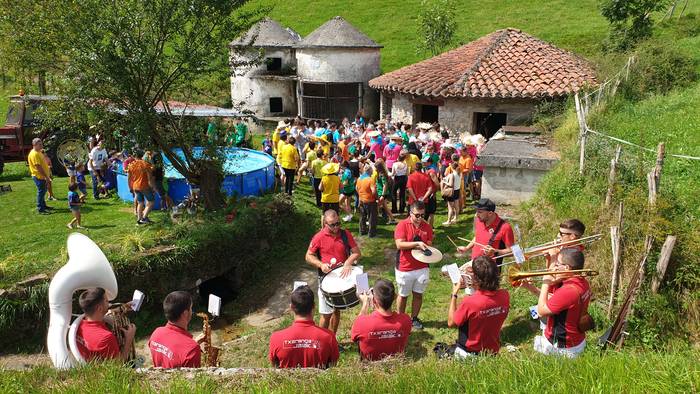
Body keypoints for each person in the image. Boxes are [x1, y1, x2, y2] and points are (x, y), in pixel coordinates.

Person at [305, 210, 361, 332]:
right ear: (325, 223)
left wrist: (348, 262)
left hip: (341, 277)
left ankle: (332, 339)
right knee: (326, 314)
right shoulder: (319, 237)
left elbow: (356, 253)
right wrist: (320, 264)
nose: (336, 227)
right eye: (332, 224)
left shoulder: (345, 234)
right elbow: (308, 256)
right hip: (326, 279)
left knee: (336, 310)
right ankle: (321, 341)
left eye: (338, 223)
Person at [447, 256, 510, 358]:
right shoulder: (505, 295)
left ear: (476, 278)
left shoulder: (470, 302)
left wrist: (454, 294)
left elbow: (451, 322)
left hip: (470, 354)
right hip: (492, 352)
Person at [534, 248, 591, 358]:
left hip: (562, 347)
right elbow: (556, 301)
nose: (555, 266)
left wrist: (545, 282)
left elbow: (541, 311)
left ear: (566, 268)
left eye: (557, 263)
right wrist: (530, 287)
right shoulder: (583, 282)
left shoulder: (568, 290)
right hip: (576, 340)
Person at [269, 285, 339, 368]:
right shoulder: (329, 337)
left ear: (291, 307)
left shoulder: (276, 338)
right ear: (314, 306)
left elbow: (274, 367)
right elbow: (333, 366)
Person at [394, 201, 434, 330]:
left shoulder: (426, 226)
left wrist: (426, 245)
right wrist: (417, 244)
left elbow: (429, 243)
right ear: (410, 213)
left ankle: (414, 318)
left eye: (422, 215)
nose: (420, 218)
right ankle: (400, 319)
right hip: (405, 267)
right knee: (403, 295)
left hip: (422, 267)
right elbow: (399, 244)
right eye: (417, 215)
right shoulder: (402, 225)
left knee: (418, 294)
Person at [351, 279, 412, 361]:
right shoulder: (406, 320)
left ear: (374, 300)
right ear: (394, 297)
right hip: (396, 361)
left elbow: (354, 337)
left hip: (369, 364)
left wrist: (365, 304)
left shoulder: (362, 322)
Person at [75, 287, 136, 362]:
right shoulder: (106, 337)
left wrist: (121, 308)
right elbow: (119, 365)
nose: (110, 304)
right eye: (107, 301)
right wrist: (129, 339)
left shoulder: (78, 325)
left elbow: (104, 313)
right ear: (99, 308)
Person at [148, 291, 203, 368]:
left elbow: (171, 349)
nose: (192, 311)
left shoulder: (156, 333)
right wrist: (192, 346)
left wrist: (192, 343)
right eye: (191, 308)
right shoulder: (191, 350)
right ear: (185, 313)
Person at [457, 198, 514, 267]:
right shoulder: (479, 220)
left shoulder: (505, 227)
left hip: (489, 270)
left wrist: (495, 251)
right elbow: (477, 237)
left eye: (480, 212)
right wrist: (467, 248)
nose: (477, 214)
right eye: (476, 211)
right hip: (474, 263)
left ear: (490, 213)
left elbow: (512, 251)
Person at [127, 155, 155, 225]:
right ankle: (144, 218)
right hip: (144, 186)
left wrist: (130, 187)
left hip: (135, 186)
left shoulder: (131, 165)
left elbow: (129, 178)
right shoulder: (145, 164)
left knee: (140, 203)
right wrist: (152, 187)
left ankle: (139, 220)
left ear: (134, 156)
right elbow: (149, 178)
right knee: (151, 201)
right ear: (142, 156)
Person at [27, 138, 52, 214]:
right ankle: (40, 208)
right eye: (40, 144)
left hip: (42, 176)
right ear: (34, 145)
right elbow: (38, 167)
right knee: (41, 192)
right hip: (39, 176)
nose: (42, 145)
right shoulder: (34, 154)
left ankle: (43, 206)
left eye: (41, 144)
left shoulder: (39, 152)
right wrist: (46, 177)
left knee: (43, 191)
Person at [356, 164, 378, 237]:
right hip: (370, 201)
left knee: (362, 216)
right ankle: (371, 233)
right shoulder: (370, 179)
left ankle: (362, 231)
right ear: (370, 171)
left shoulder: (359, 179)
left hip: (362, 200)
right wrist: (376, 198)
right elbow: (374, 191)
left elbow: (356, 188)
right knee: (372, 217)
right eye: (372, 170)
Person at [441, 159, 461, 226]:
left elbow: (450, 184)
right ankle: (456, 218)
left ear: (452, 167)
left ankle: (449, 221)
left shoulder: (452, 175)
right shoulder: (459, 174)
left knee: (450, 207)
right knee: (456, 206)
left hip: (452, 192)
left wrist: (444, 181)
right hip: (457, 190)